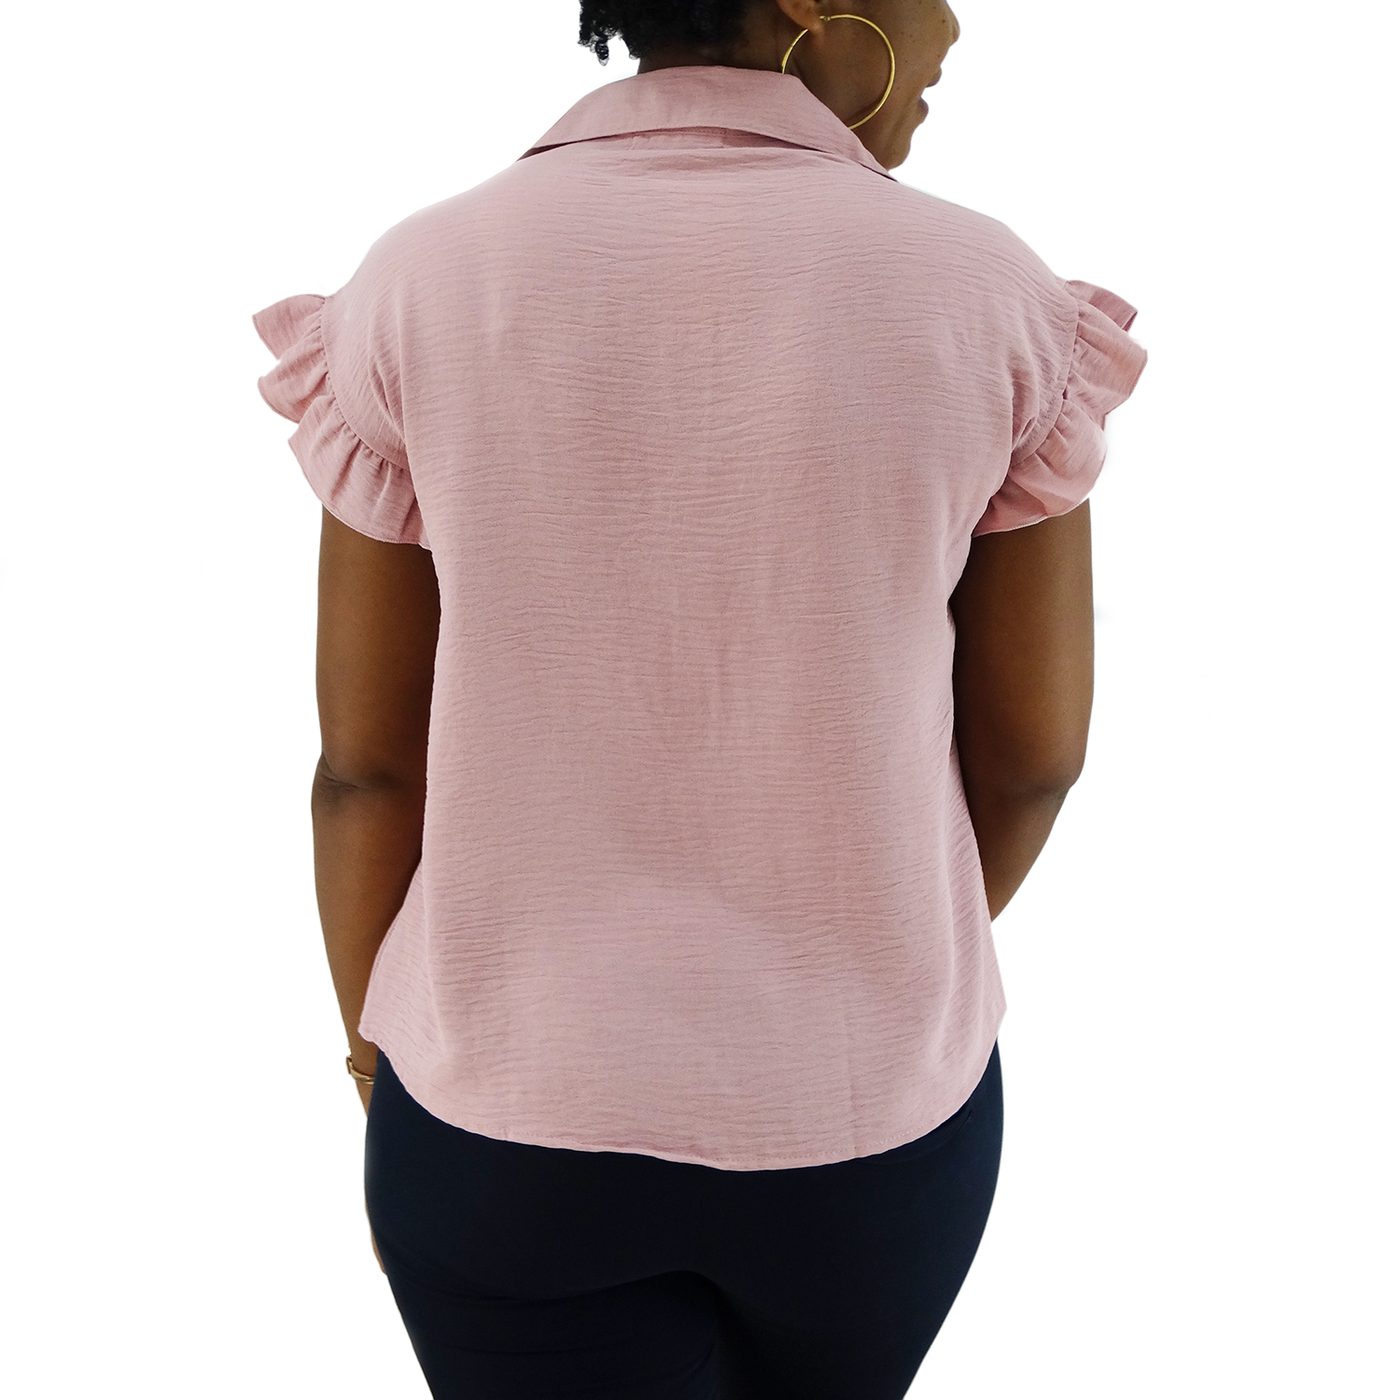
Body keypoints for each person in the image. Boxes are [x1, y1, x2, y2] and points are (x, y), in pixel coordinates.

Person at [253, 2, 1147, 1395]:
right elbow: (1035, 753)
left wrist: (382, 1078)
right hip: (868, 1133)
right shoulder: (991, 297)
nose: (956, 22)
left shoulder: (420, 281)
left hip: (502, 1124)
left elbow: (366, 766)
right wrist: (867, 956)